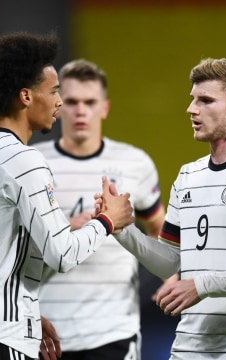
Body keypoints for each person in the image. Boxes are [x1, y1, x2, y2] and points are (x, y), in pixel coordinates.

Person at [0, 32, 135, 360]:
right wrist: (107, 221)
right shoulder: (23, 159)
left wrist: (27, 313)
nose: (59, 102)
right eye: (54, 91)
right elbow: (63, 255)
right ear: (26, 96)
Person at [102, 57, 226, 359]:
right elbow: (170, 260)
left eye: (206, 100)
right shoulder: (188, 176)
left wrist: (202, 285)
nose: (192, 109)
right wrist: (123, 230)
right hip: (189, 344)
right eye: (193, 99)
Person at [34, 58, 175, 359]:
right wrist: (63, 227)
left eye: (89, 101)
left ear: (105, 107)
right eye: (71, 101)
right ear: (58, 105)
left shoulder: (135, 162)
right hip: (47, 334)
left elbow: (158, 225)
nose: (80, 110)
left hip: (113, 332)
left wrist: (171, 277)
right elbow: (15, 242)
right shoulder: (32, 163)